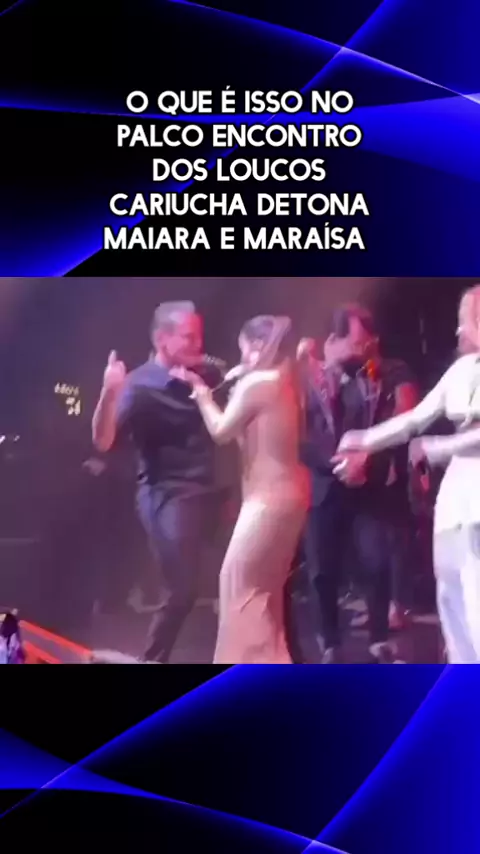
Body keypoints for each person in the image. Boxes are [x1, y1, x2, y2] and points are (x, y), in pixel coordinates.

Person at [337, 285, 480, 664]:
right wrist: (366, 439)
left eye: (466, 320)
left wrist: (440, 448)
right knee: (451, 598)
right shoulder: (461, 370)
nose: (459, 331)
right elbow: (414, 419)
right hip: (456, 499)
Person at [92, 301, 226, 663]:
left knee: (257, 571)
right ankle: (152, 660)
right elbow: (103, 440)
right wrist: (109, 392)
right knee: (182, 589)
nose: (198, 344)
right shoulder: (139, 385)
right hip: (166, 495)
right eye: (189, 337)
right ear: (162, 340)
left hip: (211, 492)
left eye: (199, 335)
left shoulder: (207, 373)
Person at [172, 315, 310, 664]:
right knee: (263, 596)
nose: (242, 358)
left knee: (238, 586)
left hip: (268, 502)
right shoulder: (286, 382)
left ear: (259, 346)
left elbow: (220, 431)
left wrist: (202, 394)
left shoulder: (259, 383)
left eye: (244, 350)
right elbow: (247, 439)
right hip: (285, 497)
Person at [299, 304, 418, 663]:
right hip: (325, 484)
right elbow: (300, 435)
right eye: (356, 343)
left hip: (368, 482)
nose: (363, 350)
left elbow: (389, 427)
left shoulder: (375, 375)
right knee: (323, 569)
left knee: (376, 561)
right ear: (332, 341)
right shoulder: (305, 378)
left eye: (366, 343)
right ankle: (330, 641)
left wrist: (366, 461)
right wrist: (335, 463)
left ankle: (378, 637)